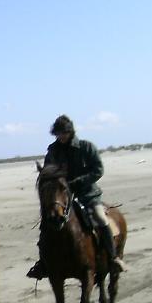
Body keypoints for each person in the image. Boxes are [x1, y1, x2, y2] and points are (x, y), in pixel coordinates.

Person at [27, 114, 128, 279]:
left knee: (100, 219)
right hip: (61, 197)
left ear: (70, 132)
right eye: (58, 134)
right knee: (46, 224)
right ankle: (44, 263)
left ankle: (112, 258)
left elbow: (98, 170)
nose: (61, 137)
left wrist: (76, 182)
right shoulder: (53, 151)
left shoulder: (86, 147)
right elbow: (47, 173)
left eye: (64, 133)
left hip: (87, 194)